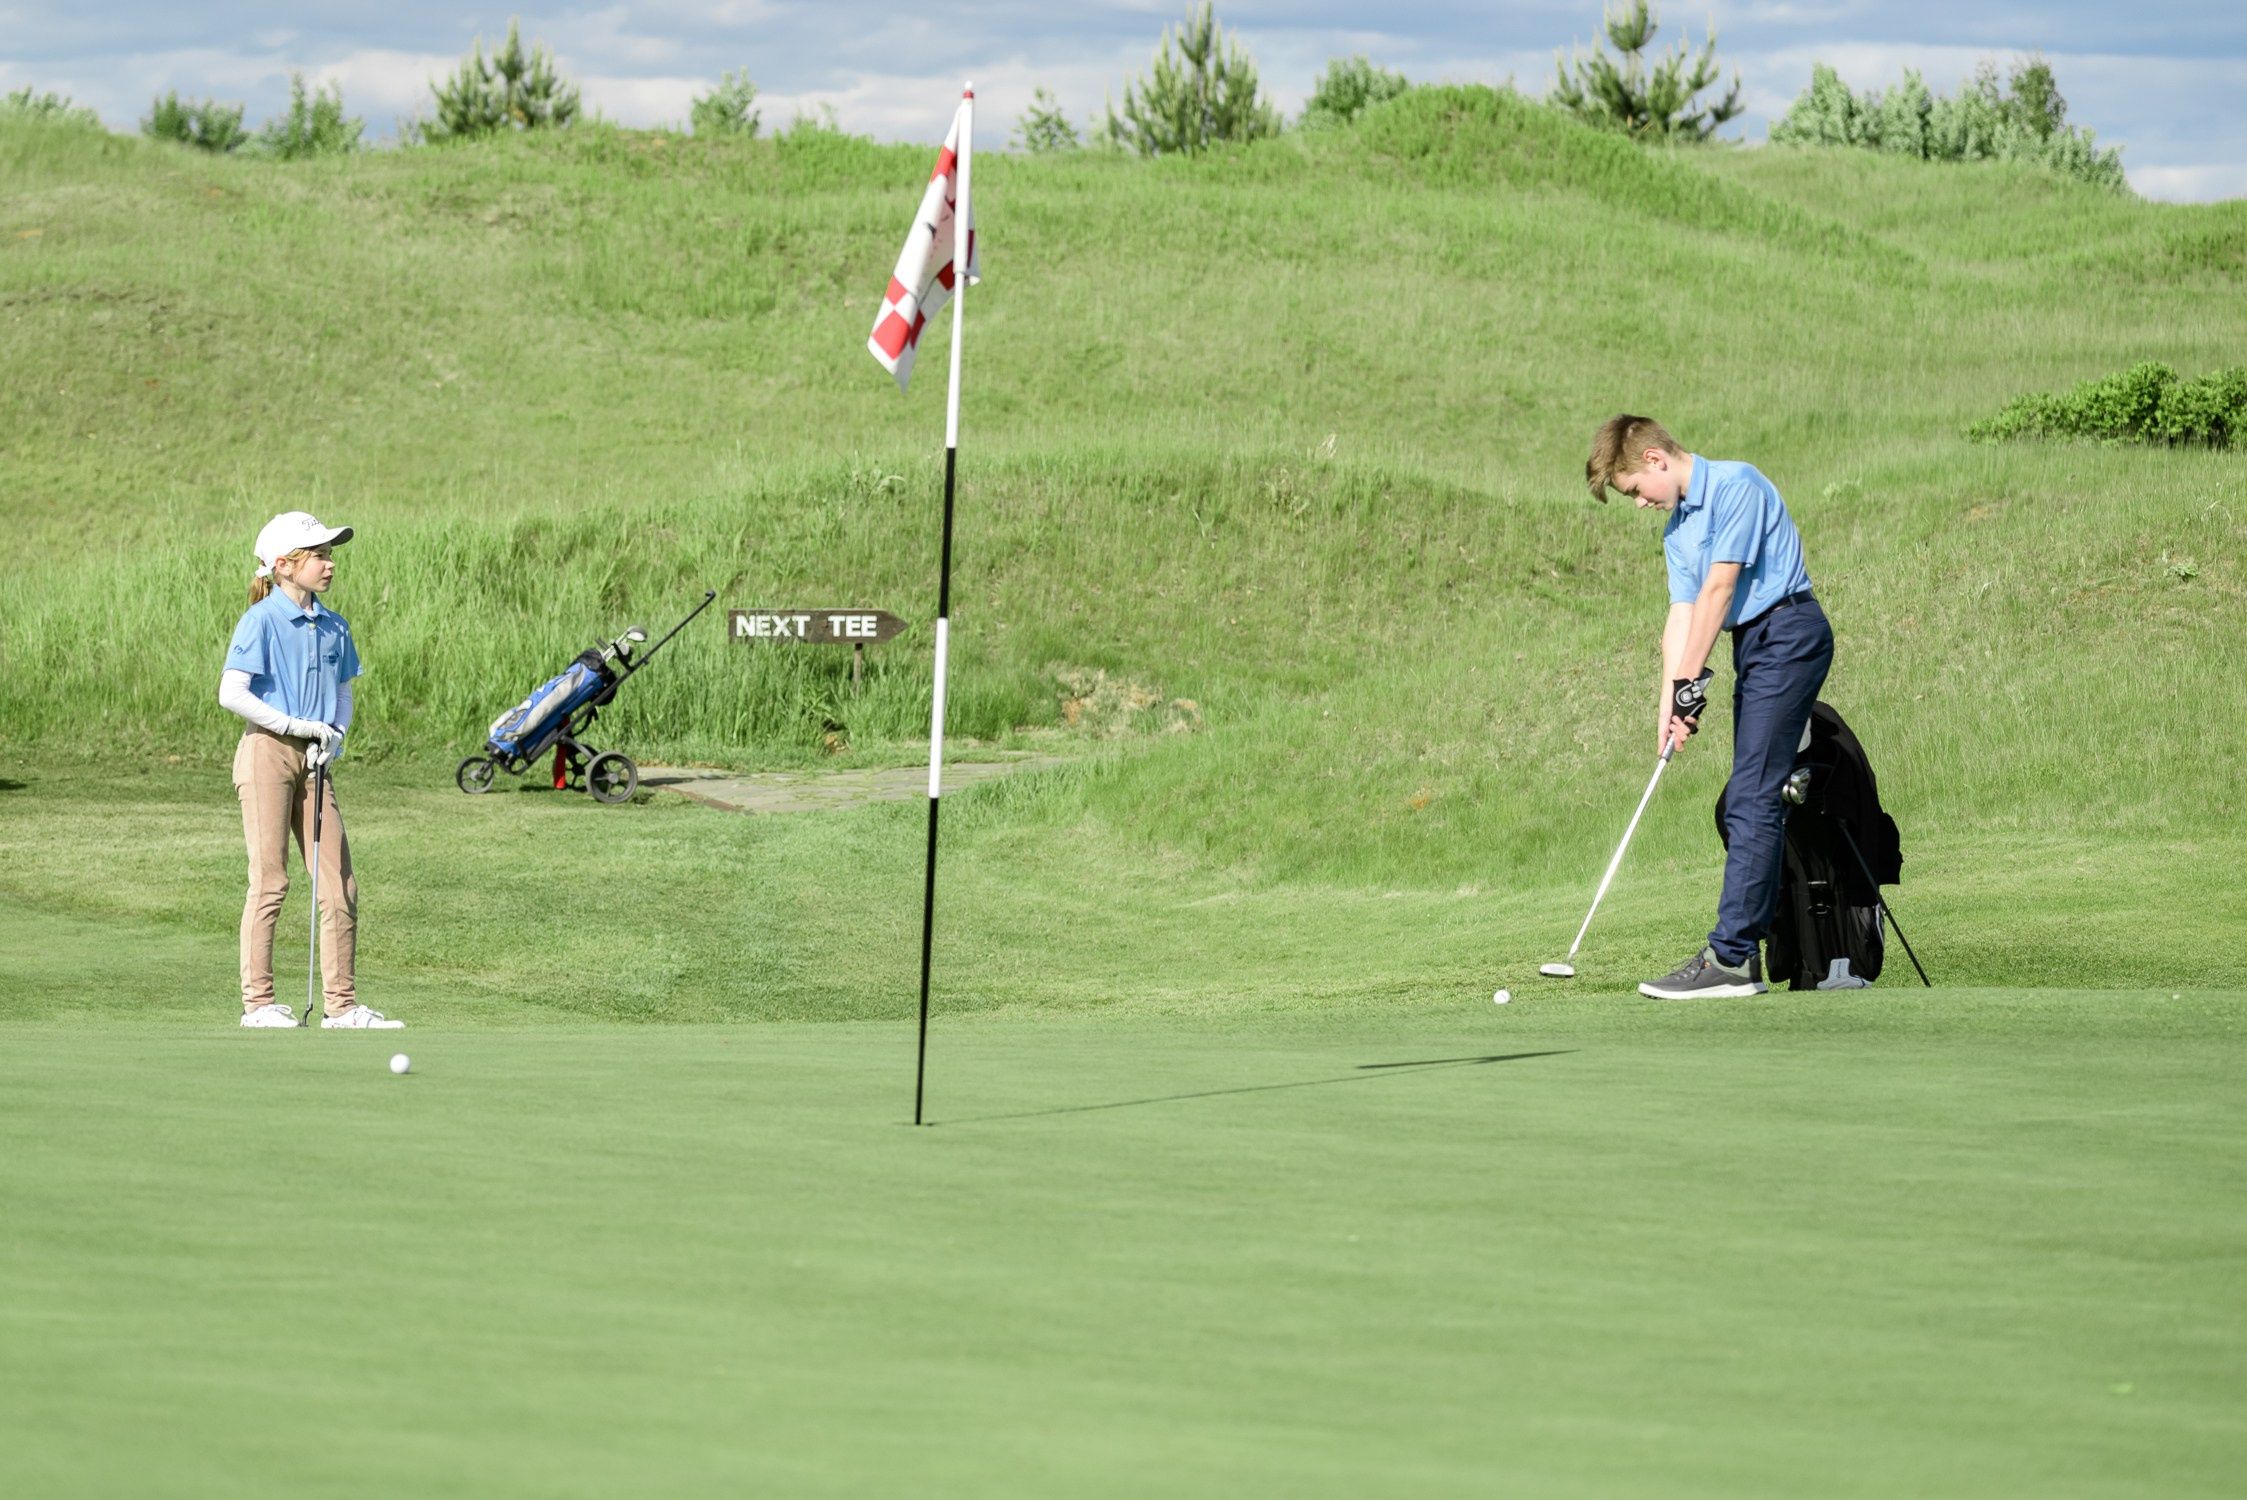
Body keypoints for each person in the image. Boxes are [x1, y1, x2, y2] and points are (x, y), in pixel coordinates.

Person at [1584, 416, 1832, 999]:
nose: (1641, 504)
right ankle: (1758, 945)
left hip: (1791, 631)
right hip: (1755, 646)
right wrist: (1670, 701)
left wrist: (1692, 679)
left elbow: (1719, 591)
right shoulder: (1678, 532)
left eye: (1635, 491)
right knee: (1748, 797)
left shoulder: (1739, 486)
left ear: (1654, 460)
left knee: (1751, 793)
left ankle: (1732, 959)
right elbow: (1681, 618)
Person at [219, 511, 402, 1030]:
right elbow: (231, 693)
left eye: (329, 553)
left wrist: (333, 738)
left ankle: (341, 1007)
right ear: (284, 565)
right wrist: (297, 726)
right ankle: (258, 1004)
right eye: (319, 555)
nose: (330, 563)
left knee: (339, 883)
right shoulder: (261, 620)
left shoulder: (335, 625)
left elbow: (343, 692)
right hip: (267, 753)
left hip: (316, 757)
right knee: (270, 881)